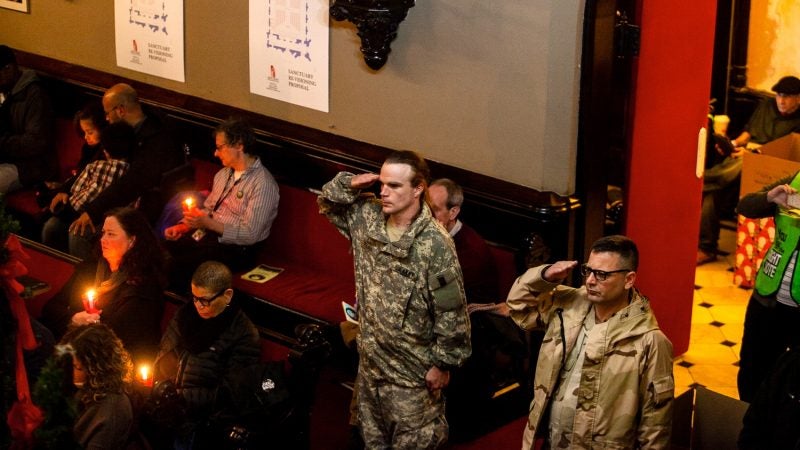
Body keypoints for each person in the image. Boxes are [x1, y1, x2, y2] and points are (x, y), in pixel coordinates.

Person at [318, 150, 471, 449]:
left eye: (395, 186)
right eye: (383, 184)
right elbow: (326, 202)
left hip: (410, 379)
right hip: (370, 369)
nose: (384, 192)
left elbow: (451, 312)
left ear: (418, 189)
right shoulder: (367, 216)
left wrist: (443, 364)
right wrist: (350, 183)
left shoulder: (435, 244)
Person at [506, 235, 674, 449]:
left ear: (629, 279)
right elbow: (518, 307)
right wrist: (545, 275)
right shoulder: (567, 306)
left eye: (602, 274)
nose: (590, 281)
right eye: (588, 270)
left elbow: (656, 426)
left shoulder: (650, 341)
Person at [67, 83, 183, 259]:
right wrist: (64, 190)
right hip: (113, 204)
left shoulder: (157, 139)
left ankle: (99, 281)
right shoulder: (121, 131)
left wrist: (92, 212)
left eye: (107, 113)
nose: (106, 119)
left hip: (140, 211)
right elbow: (94, 163)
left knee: (79, 235)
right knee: (56, 225)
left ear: (120, 110)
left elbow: (133, 183)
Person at [154, 261, 261, 449]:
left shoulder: (243, 333)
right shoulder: (186, 314)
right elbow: (165, 350)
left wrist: (181, 397)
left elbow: (230, 392)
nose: (198, 306)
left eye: (205, 300)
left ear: (227, 296)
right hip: (166, 410)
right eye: (194, 297)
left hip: (200, 423)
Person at [162, 117, 279, 289]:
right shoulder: (223, 175)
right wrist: (184, 226)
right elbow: (209, 209)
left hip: (238, 249)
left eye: (220, 147)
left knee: (178, 267)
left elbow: (250, 234)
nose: (215, 153)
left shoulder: (263, 184)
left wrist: (210, 224)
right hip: (209, 236)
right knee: (161, 249)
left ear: (239, 145)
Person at [40, 207, 166, 364]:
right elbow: (50, 308)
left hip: (109, 362)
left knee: (51, 354)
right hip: (73, 347)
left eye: (111, 234)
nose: (103, 239)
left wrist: (86, 327)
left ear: (132, 241)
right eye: (103, 233)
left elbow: (115, 338)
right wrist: (73, 319)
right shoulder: (91, 268)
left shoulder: (142, 287)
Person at [698, 76, 800, 264]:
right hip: (748, 153)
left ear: (798, 98)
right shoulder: (767, 106)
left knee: (739, 164)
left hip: (772, 162)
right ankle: (707, 247)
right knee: (715, 193)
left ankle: (701, 183)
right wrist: (733, 143)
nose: (781, 100)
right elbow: (749, 131)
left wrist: (754, 152)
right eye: (778, 95)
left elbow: (788, 150)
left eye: (787, 96)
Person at [736, 172, 800, 402]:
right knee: (752, 370)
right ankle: (748, 428)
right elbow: (745, 205)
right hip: (767, 298)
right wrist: (770, 198)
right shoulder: (796, 180)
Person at [41, 121, 133, 253]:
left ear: (105, 150)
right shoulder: (132, 173)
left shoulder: (95, 166)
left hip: (82, 214)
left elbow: (76, 191)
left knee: (54, 227)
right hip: (114, 222)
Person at [51, 323, 136, 449]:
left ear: (96, 369)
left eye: (77, 368)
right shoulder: (89, 390)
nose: (70, 372)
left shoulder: (113, 409)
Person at [428, 178, 499, 302]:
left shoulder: (471, 252)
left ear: (453, 212)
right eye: (424, 206)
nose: (425, 214)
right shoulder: (423, 230)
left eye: (434, 210)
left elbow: (438, 297)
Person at [0, 44, 55, 193]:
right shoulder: (3, 90)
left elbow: (36, 142)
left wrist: (2, 143)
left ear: (8, 69)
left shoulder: (35, 96)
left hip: (29, 166)